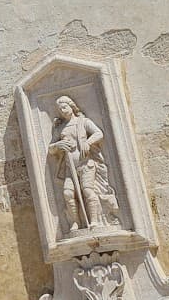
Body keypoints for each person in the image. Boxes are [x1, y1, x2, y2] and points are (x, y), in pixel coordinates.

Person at [47, 95, 120, 232]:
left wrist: (88, 142)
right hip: (70, 167)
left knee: (87, 191)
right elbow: (51, 149)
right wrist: (58, 145)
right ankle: (75, 222)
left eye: (64, 107)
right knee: (68, 194)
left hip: (86, 164)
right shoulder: (60, 128)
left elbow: (99, 133)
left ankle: (94, 221)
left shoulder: (83, 122)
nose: (62, 111)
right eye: (60, 109)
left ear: (71, 106)